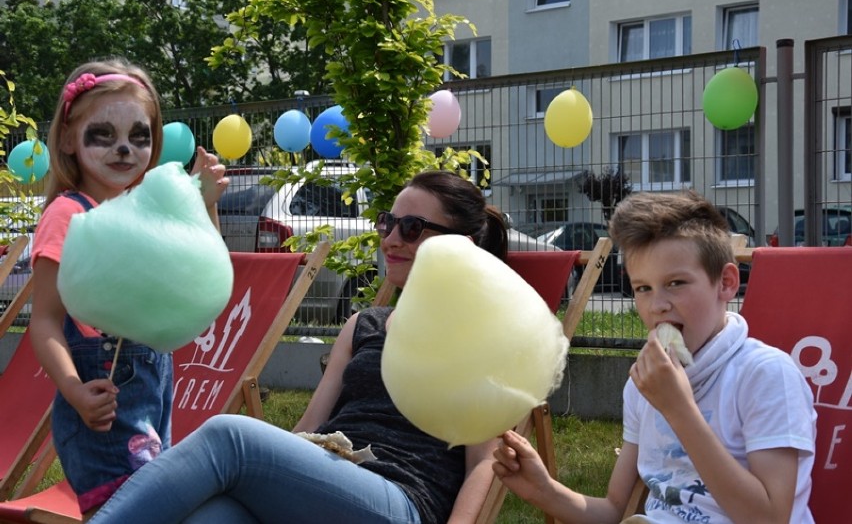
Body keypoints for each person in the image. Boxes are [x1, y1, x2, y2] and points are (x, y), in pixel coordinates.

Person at [88, 170, 509, 524]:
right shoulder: (363, 326)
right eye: (387, 222)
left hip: (399, 499)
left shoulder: (481, 335)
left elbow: (484, 466)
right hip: (327, 482)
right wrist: (267, 474)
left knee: (229, 435)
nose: (391, 239)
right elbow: (309, 430)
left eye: (411, 228)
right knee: (212, 515)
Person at [492, 190, 817, 524]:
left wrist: (678, 409)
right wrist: (544, 491)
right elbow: (615, 509)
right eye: (642, 288)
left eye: (675, 283)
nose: (656, 305)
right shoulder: (643, 386)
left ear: (726, 283)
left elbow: (770, 518)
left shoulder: (764, 375)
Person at [29, 58, 228, 515]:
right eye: (103, 134)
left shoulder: (147, 212)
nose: (123, 149)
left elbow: (201, 275)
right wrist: (74, 389)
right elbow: (45, 320)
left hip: (153, 394)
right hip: (100, 406)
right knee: (125, 511)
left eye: (139, 136)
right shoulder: (69, 215)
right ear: (66, 138)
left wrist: (206, 207)